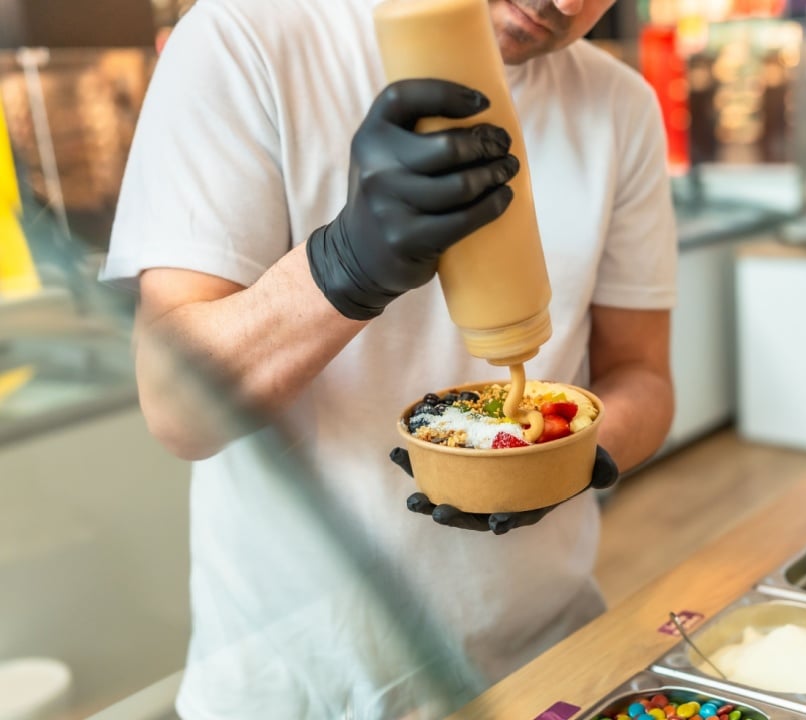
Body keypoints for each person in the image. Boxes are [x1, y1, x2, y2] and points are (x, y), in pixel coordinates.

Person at [101, 0, 677, 716]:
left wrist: (567, 458)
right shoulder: (245, 37)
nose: (566, 4)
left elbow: (643, 378)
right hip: (303, 686)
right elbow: (176, 409)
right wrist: (344, 264)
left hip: (544, 660)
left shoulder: (618, 103)